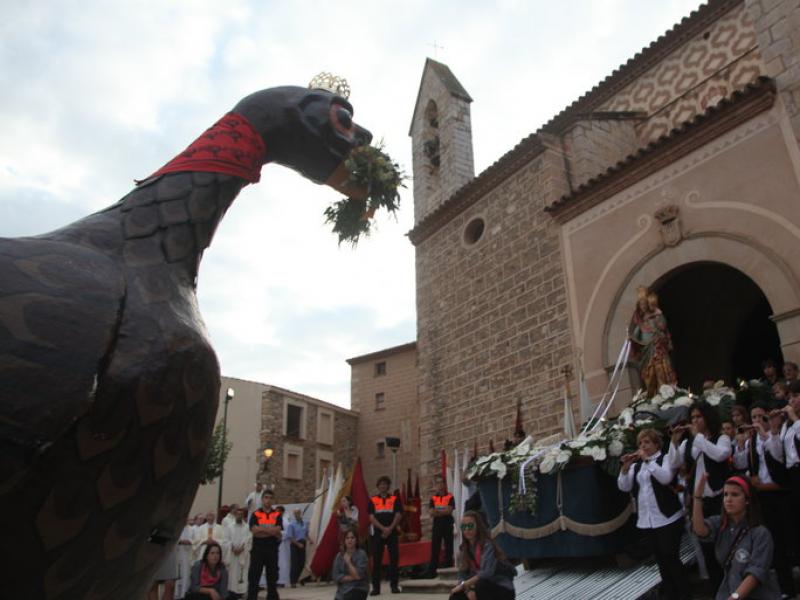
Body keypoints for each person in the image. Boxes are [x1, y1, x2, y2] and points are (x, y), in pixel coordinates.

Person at [618, 429, 690, 600]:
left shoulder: (664, 459)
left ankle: (684, 594)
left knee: (671, 557)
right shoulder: (637, 466)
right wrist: (625, 469)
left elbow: (665, 478)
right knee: (661, 561)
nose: (643, 446)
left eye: (647, 442)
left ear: (656, 444)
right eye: (641, 443)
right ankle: (671, 594)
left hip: (667, 517)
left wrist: (648, 461)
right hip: (647, 520)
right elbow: (624, 487)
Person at [668, 401, 731, 591]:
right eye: (692, 418)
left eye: (698, 417)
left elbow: (720, 455)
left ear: (707, 418)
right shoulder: (689, 443)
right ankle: (716, 590)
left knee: (726, 547)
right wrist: (674, 441)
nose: (695, 421)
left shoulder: (721, 438)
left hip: (719, 499)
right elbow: (673, 462)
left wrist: (698, 438)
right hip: (699, 503)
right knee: (707, 550)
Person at [733, 403, 795, 597]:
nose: (757, 421)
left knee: (785, 540)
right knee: (768, 541)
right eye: (754, 418)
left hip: (779, 494)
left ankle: (789, 586)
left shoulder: (774, 437)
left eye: (762, 417)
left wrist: (765, 434)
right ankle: (779, 588)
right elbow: (740, 462)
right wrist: (742, 443)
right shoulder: (751, 441)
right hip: (761, 496)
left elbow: (778, 455)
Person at [691, 474, 781, 599]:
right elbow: (700, 530)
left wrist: (735, 597)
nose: (728, 499)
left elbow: (755, 574)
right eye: (725, 494)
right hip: (729, 590)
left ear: (747, 499)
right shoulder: (721, 524)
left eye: (735, 495)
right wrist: (697, 498)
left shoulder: (760, 533)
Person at [449, 511, 515, 600]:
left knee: (481, 585)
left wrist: (465, 585)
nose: (467, 529)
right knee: (456, 596)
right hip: (476, 587)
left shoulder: (487, 545)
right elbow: (462, 576)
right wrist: (468, 590)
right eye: (464, 527)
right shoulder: (463, 550)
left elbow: (486, 573)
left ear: (478, 527)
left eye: (470, 526)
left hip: (500, 588)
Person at [628, 287, 677, 397]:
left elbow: (663, 327)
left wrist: (659, 333)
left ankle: (665, 390)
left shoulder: (656, 316)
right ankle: (653, 392)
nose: (643, 306)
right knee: (649, 372)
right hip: (647, 351)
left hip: (658, 348)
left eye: (644, 304)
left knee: (662, 369)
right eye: (641, 305)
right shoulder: (641, 322)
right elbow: (635, 337)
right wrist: (630, 339)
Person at [368, 475, 403, 595]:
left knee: (394, 559)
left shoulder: (394, 499)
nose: (383, 486)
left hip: (392, 533)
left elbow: (398, 515)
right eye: (381, 484)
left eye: (385, 484)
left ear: (388, 486)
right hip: (378, 533)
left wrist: (390, 529)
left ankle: (394, 586)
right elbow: (371, 517)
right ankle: (376, 588)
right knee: (376, 560)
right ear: (378, 486)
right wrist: (383, 529)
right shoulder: (373, 500)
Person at [247, 490, 283, 600]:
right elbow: (254, 531)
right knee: (254, 576)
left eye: (270, 498)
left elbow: (278, 530)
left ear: (273, 500)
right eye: (266, 497)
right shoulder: (256, 514)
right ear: (262, 499)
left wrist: (262, 530)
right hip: (258, 549)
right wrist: (270, 531)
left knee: (272, 577)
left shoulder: (277, 514)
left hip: (272, 550)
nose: (268, 500)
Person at [427, 475, 455, 578]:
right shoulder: (433, 498)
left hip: (447, 524)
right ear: (436, 485)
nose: (440, 485)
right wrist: (443, 511)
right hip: (437, 525)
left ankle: (448, 570)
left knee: (449, 547)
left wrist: (437, 511)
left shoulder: (450, 497)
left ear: (444, 484)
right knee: (435, 548)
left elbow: (449, 511)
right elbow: (431, 513)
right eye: (438, 483)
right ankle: (432, 572)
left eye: (441, 482)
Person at [332, 525, 370, 600]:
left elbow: (358, 575)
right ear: (344, 540)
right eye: (347, 538)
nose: (350, 540)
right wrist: (352, 577)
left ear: (356, 540)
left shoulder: (361, 554)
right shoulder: (339, 556)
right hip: (343, 590)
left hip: (359, 588)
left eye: (352, 538)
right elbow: (336, 576)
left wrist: (348, 562)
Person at [225, 507, 252, 599]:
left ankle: (242, 592)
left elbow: (249, 540)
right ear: (235, 515)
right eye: (237, 514)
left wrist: (242, 548)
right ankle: (232, 592)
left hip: (242, 554)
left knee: (242, 573)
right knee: (232, 573)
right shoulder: (229, 526)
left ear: (243, 516)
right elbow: (226, 539)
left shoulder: (247, 527)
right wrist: (232, 547)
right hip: (232, 554)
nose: (239, 516)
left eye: (241, 514)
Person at [286, 508, 308, 588]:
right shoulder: (291, 524)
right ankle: (293, 581)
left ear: (301, 513)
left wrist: (310, 540)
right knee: (294, 563)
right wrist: (298, 544)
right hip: (295, 544)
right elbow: (289, 537)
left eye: (298, 513)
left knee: (302, 563)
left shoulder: (305, 523)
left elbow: (306, 533)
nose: (297, 514)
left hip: (303, 543)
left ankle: (299, 578)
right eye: (295, 513)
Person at [176, 518, 196, 599]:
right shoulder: (177, 528)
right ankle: (176, 594)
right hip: (178, 552)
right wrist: (180, 541)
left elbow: (195, 540)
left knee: (186, 573)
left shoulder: (192, 529)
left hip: (187, 554)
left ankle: (184, 593)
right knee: (177, 573)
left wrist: (190, 541)